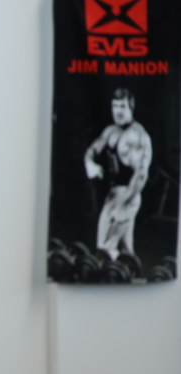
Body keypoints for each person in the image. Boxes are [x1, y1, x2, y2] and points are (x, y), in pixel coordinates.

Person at [83, 87, 153, 260]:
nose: (118, 111)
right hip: (113, 195)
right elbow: (92, 150)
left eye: (122, 106)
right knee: (127, 253)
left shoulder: (137, 136)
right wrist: (89, 164)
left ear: (131, 107)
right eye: (114, 106)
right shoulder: (110, 131)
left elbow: (141, 174)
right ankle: (133, 271)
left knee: (105, 250)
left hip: (128, 196)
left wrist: (123, 205)